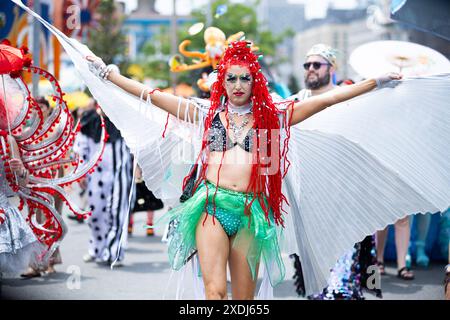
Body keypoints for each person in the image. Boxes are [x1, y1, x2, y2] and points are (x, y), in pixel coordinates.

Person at [85, 41, 401, 299]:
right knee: (215, 292)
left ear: (255, 82)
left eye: (245, 78)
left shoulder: (273, 117)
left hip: (251, 212)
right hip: (210, 206)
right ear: (222, 81)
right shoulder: (202, 114)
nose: (238, 85)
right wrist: (107, 73)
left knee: (244, 301)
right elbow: (150, 96)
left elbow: (328, 100)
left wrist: (375, 83)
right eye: (231, 78)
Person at [75, 101, 134, 266]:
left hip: (120, 174)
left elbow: (136, 146)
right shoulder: (89, 121)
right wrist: (80, 173)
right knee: (95, 215)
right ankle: (96, 249)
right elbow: (81, 150)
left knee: (117, 214)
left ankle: (114, 253)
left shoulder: (124, 121)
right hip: (96, 176)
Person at [21, 97, 63, 277]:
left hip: (54, 180)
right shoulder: (27, 132)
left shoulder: (56, 129)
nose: (39, 110)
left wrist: (60, 181)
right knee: (34, 222)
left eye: (42, 107)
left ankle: (51, 261)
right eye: (35, 108)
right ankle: (35, 264)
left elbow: (63, 155)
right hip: (34, 182)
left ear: (47, 109)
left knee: (52, 221)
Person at [129, 165, 163, 237]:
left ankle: (149, 225)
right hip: (139, 177)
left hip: (147, 176)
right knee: (133, 203)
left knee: (150, 203)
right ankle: (130, 224)